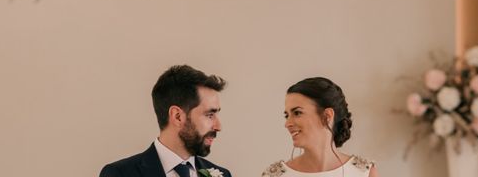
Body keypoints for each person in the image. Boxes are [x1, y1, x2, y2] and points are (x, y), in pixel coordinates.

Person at [100, 65, 232, 177]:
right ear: (177, 116)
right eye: (210, 115)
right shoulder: (119, 174)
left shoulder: (223, 174)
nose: (218, 126)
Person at [261, 77, 378, 177]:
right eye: (287, 115)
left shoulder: (364, 173)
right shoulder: (274, 175)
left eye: (297, 113)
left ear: (327, 116)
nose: (287, 124)